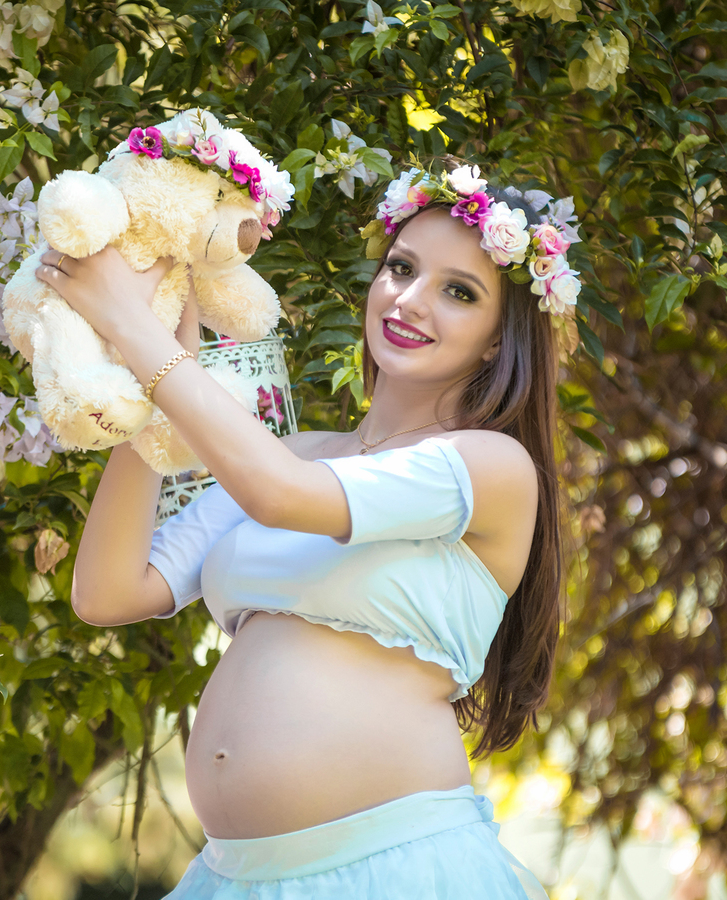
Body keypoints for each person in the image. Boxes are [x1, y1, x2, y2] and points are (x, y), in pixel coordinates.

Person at [35, 156, 577, 898]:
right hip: (232, 878)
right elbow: (108, 592)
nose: (410, 300)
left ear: (495, 339)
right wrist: (151, 395)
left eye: (458, 291)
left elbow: (281, 496)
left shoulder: (489, 468)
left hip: (394, 869)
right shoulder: (293, 454)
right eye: (400, 267)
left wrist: (132, 329)